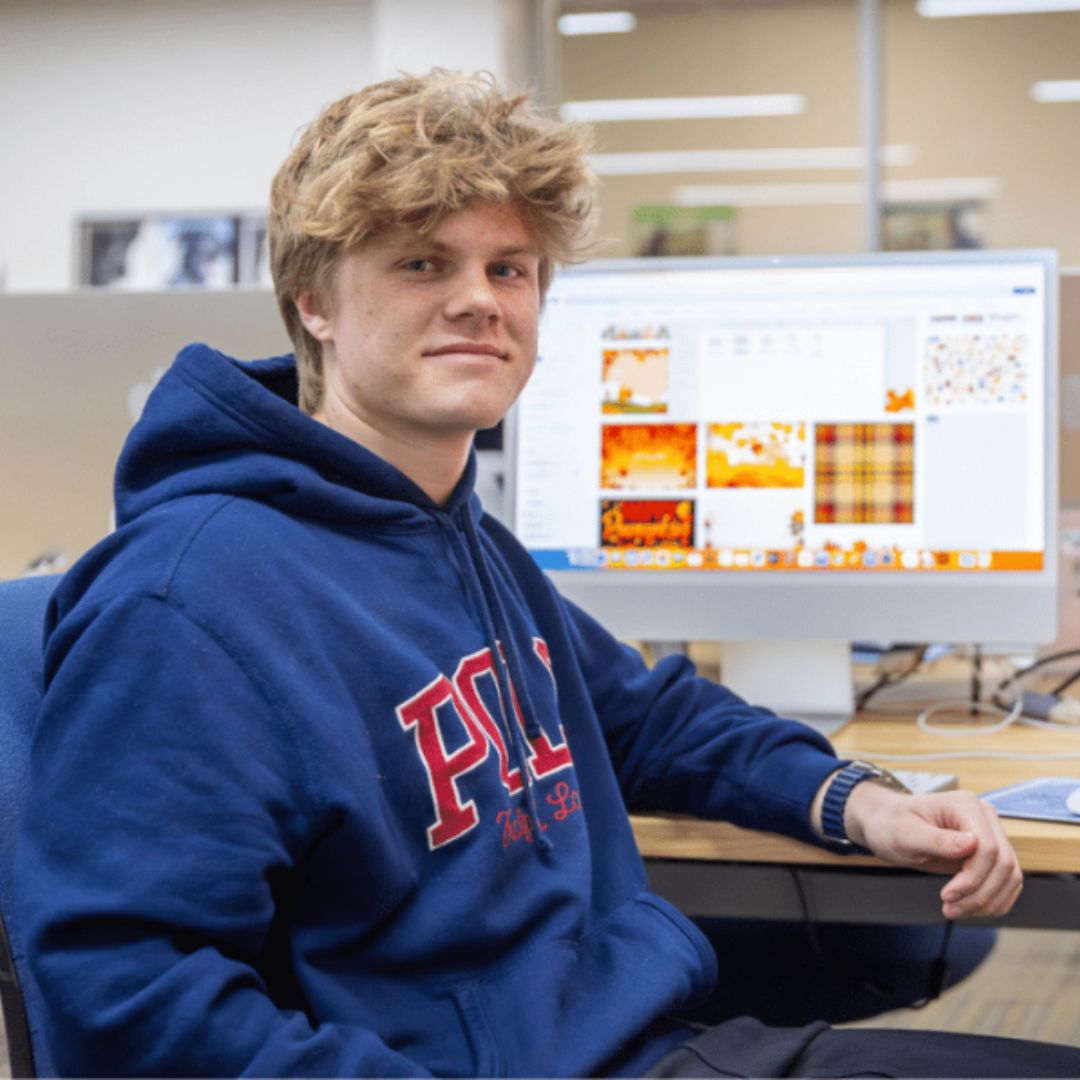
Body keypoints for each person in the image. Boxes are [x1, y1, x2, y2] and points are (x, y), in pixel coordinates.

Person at [13, 69, 1080, 1078]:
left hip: (621, 1032)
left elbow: (642, 719)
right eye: (423, 262)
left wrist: (853, 799)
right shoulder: (189, 601)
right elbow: (125, 1001)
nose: (481, 299)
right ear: (313, 304)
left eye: (508, 268)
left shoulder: (448, 534)